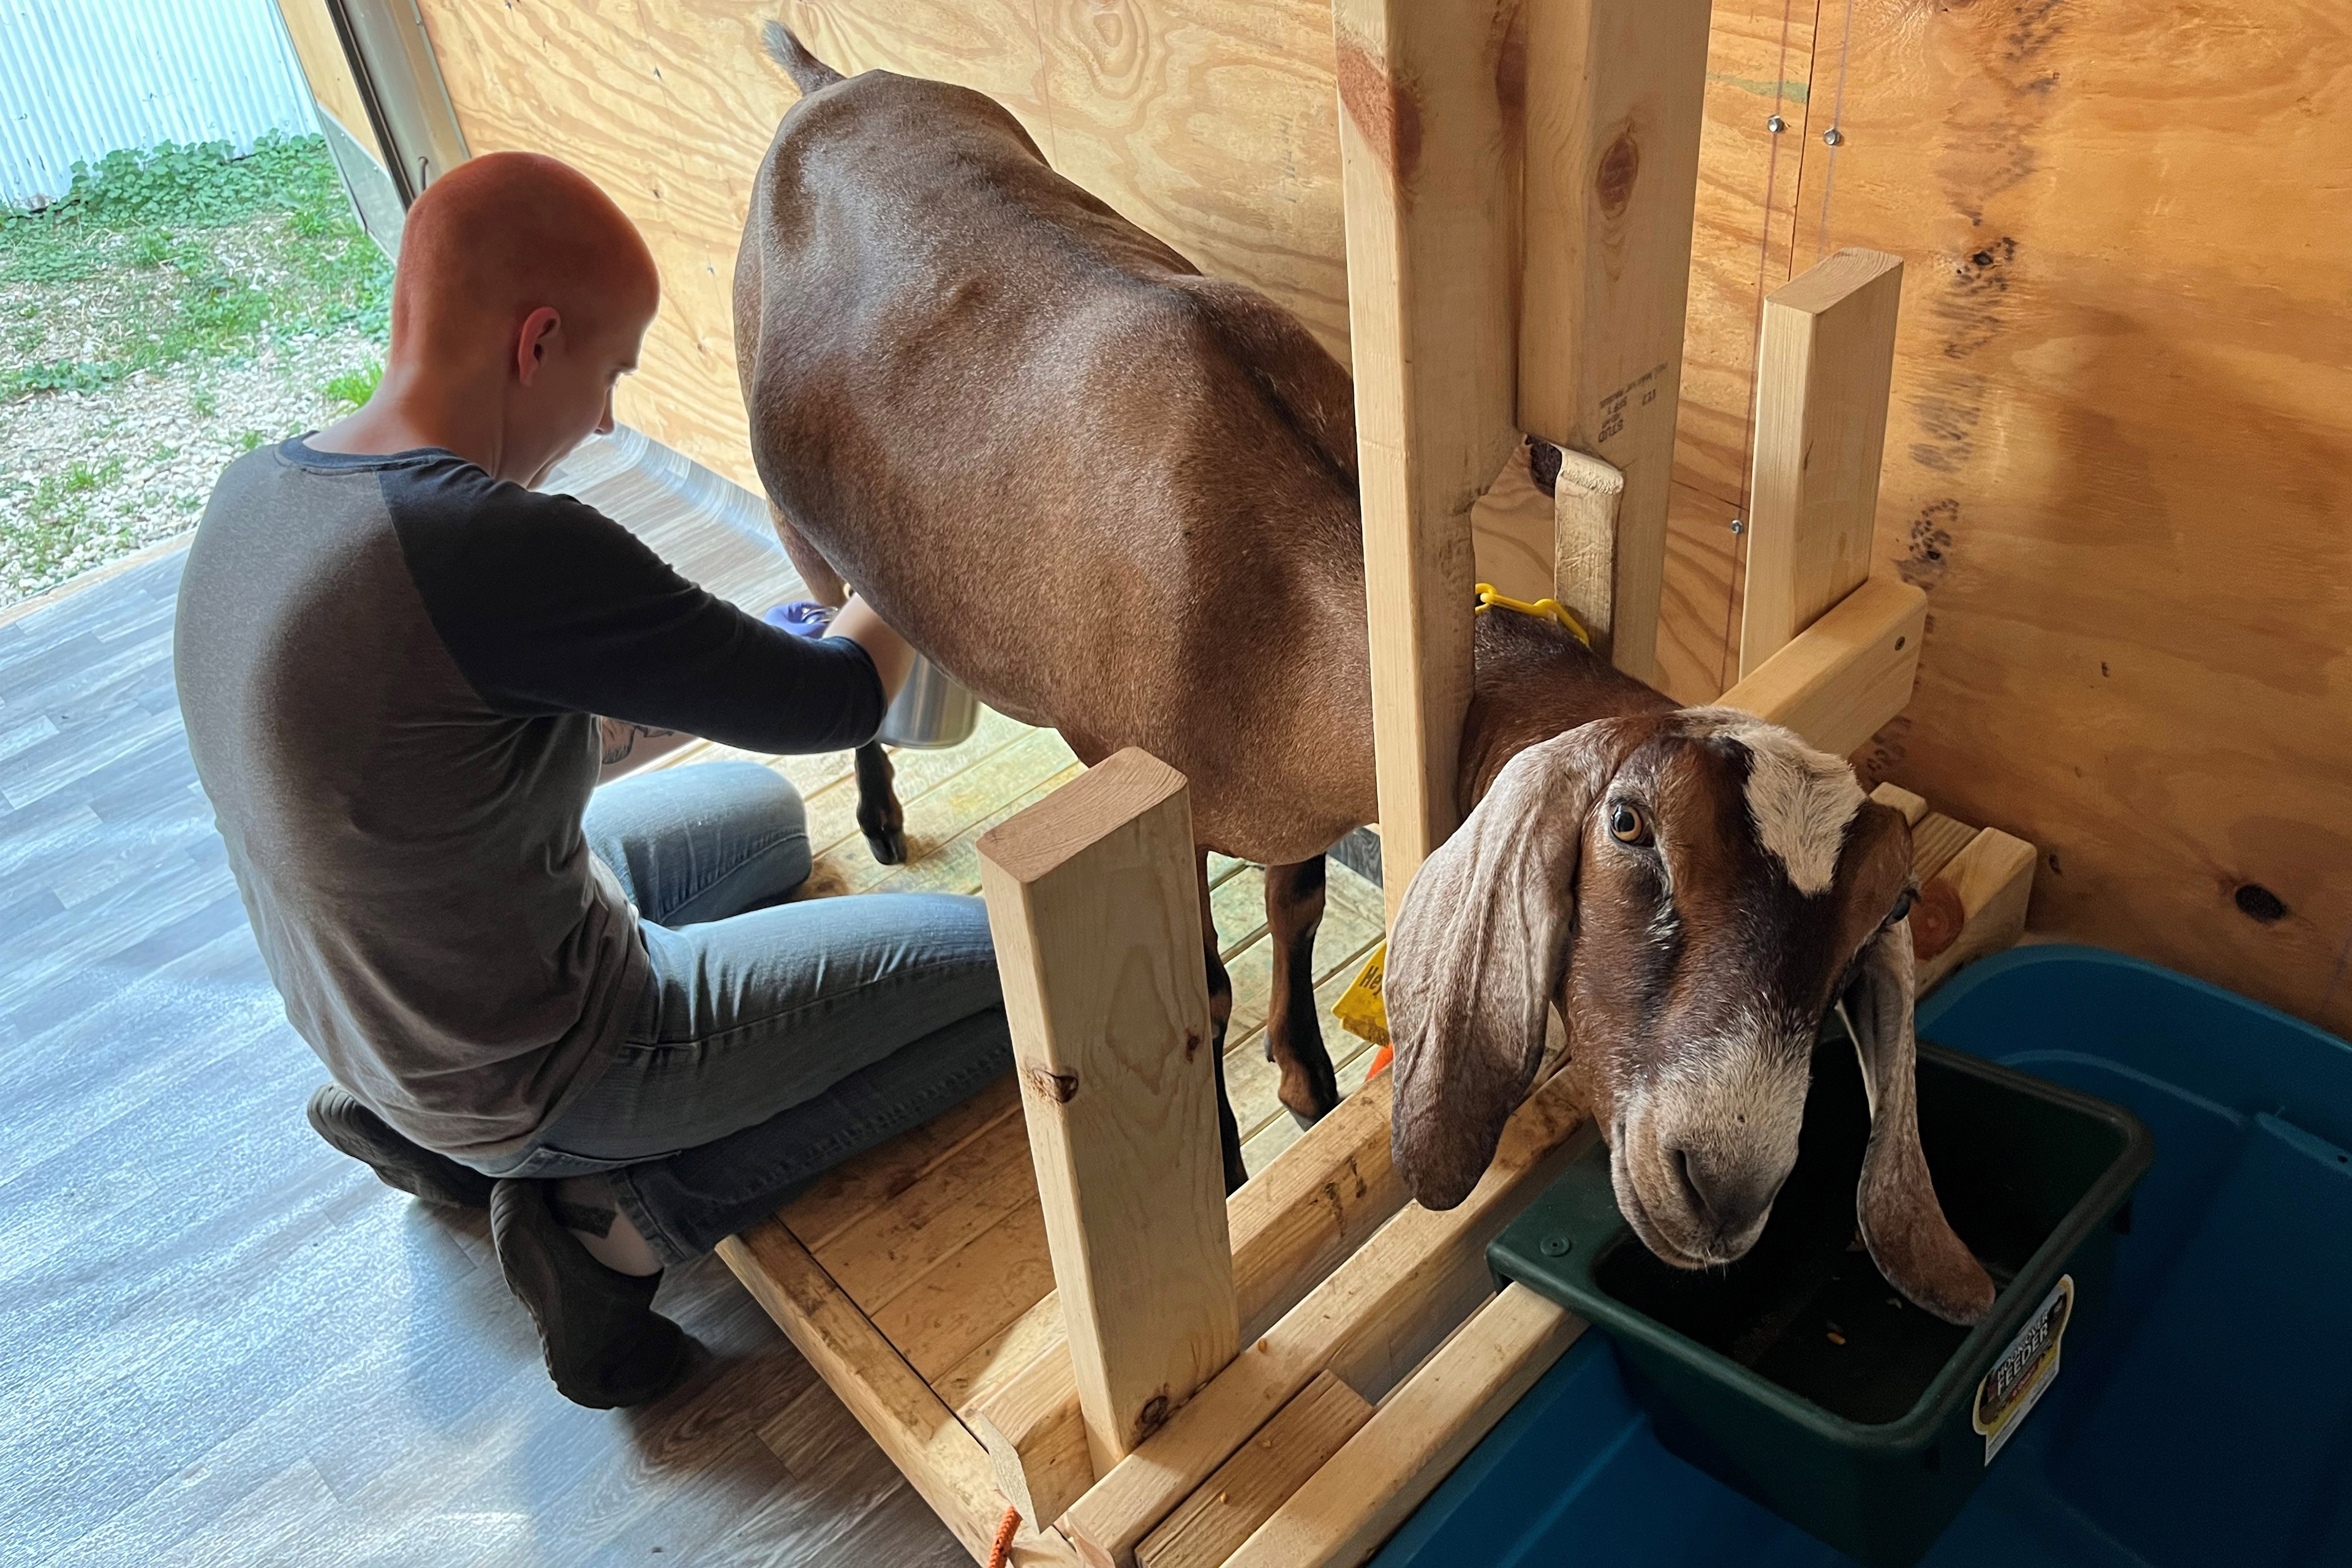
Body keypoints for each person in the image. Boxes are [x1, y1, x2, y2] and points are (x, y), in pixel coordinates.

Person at [174, 152, 1013, 1408]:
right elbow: (839, 702)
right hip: (544, 1047)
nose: (611, 420)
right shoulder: (494, 547)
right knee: (1018, 981)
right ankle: (615, 1220)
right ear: (539, 340)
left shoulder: (269, 486)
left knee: (767, 824)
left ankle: (428, 1134)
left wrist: (705, 665)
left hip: (382, 998)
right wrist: (910, 537)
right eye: (612, 372)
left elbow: (466, 736)